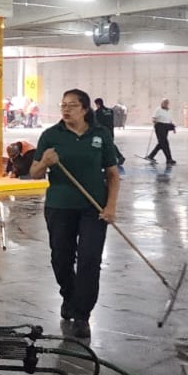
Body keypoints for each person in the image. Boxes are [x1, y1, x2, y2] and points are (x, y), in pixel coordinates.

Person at [30, 89, 120, 339]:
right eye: (63, 105)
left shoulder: (100, 135)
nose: (66, 109)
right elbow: (34, 173)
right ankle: (69, 296)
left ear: (84, 109)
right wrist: (45, 162)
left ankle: (82, 314)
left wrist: (111, 206)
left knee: (90, 259)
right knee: (61, 258)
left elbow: (113, 174)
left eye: (72, 105)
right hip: (59, 207)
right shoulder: (51, 135)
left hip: (94, 208)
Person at [93, 97, 126, 174]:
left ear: (97, 104)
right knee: (110, 144)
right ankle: (119, 157)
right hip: (110, 130)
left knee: (98, 144)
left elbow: (96, 123)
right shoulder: (110, 111)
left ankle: (100, 160)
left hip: (101, 131)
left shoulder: (97, 112)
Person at [146, 98, 176, 165]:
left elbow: (169, 119)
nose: (165, 103)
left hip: (166, 127)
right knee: (165, 143)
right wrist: (154, 121)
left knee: (161, 143)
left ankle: (151, 156)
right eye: (164, 102)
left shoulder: (169, 110)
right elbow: (153, 118)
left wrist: (173, 126)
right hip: (160, 126)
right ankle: (169, 159)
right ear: (162, 103)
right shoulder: (158, 109)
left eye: (167, 102)